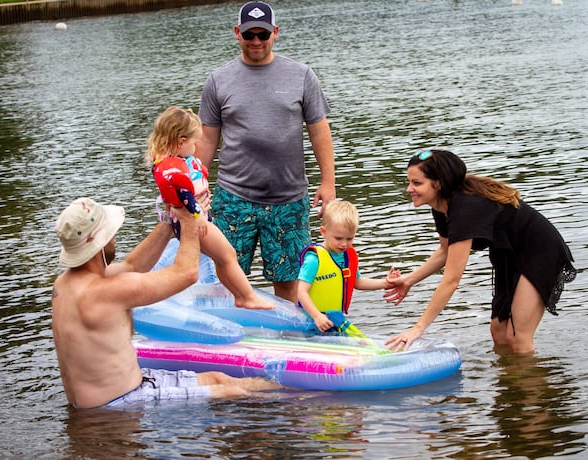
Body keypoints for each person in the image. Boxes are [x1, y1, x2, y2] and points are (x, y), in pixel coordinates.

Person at [52, 197, 282, 409]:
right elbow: (187, 273)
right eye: (111, 234)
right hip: (118, 403)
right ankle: (293, 416)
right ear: (100, 242)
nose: (114, 239)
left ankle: (288, 391)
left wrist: (169, 220)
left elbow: (133, 266)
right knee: (230, 391)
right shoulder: (107, 291)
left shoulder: (64, 284)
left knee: (219, 378)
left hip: (129, 387)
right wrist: (192, 219)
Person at [196, 1, 336, 303]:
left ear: (276, 33)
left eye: (263, 34)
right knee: (225, 276)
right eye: (249, 35)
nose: (256, 41)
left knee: (288, 282)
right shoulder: (218, 80)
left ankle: (286, 340)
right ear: (237, 33)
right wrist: (196, 186)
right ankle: (232, 342)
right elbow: (207, 139)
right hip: (234, 199)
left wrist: (328, 183)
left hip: (289, 200)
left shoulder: (301, 75)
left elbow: (319, 131)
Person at [383, 149, 577, 354]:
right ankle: (512, 382)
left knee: (518, 338)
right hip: (508, 254)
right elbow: (445, 250)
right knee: (499, 331)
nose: (409, 189)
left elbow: (451, 280)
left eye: (417, 183)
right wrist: (409, 280)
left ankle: (525, 384)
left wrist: (418, 328)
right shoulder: (441, 204)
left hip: (540, 251)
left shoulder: (464, 208)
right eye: (410, 182)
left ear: (438, 183)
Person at [145, 106, 273, 310]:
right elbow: (185, 196)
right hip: (196, 223)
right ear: (181, 142)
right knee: (228, 255)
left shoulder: (170, 162)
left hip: (193, 221)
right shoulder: (174, 167)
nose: (196, 148)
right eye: (195, 142)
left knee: (221, 259)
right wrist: (198, 217)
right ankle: (247, 296)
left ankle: (238, 295)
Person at [298, 200, 400, 332]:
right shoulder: (314, 259)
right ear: (323, 232)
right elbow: (301, 291)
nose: (344, 244)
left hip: (334, 320)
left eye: (349, 239)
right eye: (338, 238)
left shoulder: (348, 256)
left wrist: (385, 283)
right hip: (310, 321)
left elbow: (357, 282)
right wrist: (317, 316)